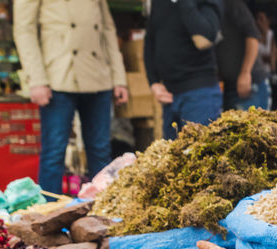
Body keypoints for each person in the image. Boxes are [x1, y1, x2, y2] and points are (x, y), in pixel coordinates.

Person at [13, 0, 129, 195]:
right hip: (57, 78)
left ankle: (103, 215)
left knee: (100, 152)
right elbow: (24, 30)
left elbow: (108, 31)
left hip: (98, 76)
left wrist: (119, 78)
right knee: (54, 154)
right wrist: (36, 79)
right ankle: (48, 218)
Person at [145, 0, 225, 140]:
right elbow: (150, 40)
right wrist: (153, 82)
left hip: (200, 95)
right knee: (171, 158)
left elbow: (206, 37)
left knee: (200, 157)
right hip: (169, 96)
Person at [219, 0, 270, 110]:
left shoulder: (231, 4)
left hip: (250, 84)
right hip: (227, 88)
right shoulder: (205, 9)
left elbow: (253, 36)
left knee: (254, 126)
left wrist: (245, 72)